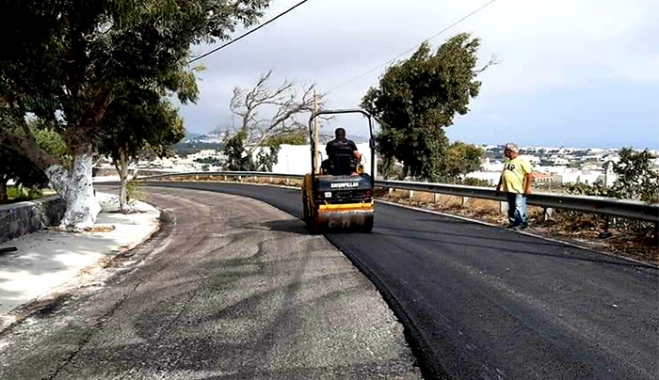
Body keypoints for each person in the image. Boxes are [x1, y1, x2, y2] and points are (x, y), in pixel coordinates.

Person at [496, 143, 533, 229]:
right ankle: (513, 222)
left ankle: (523, 223)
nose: (504, 152)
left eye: (506, 151)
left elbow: (529, 174)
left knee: (519, 206)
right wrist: (499, 185)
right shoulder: (508, 161)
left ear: (511, 151)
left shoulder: (521, 160)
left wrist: (528, 187)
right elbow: (503, 174)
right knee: (511, 207)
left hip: (518, 188)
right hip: (508, 188)